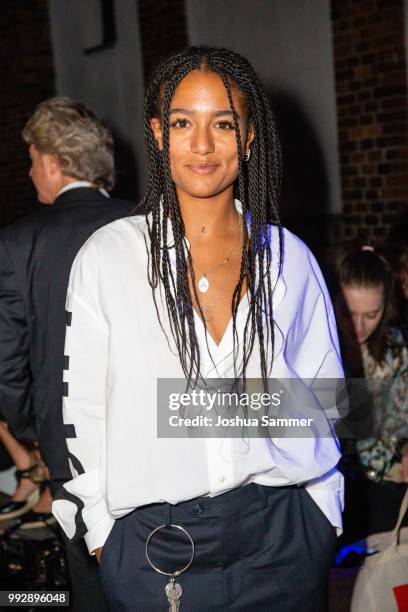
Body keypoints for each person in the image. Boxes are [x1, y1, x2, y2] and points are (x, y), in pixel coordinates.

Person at [52, 47, 344, 611]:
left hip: (283, 537)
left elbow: (324, 396)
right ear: (159, 133)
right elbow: (81, 410)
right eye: (184, 123)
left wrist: (321, 506)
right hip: (152, 548)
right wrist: (102, 536)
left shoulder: (288, 258)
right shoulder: (111, 257)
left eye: (224, 124)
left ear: (250, 136)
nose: (203, 145)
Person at [0, 97, 133, 610]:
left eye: (32, 159)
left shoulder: (17, 243)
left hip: (67, 447)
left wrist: (29, 430)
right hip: (149, 434)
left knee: (88, 579)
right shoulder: (147, 223)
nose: (31, 171)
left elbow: (8, 368)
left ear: (54, 162)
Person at [334, 245, 408, 542]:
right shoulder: (317, 348)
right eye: (349, 313)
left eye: (371, 314)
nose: (359, 326)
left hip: (386, 490)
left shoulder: (397, 350)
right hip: (333, 488)